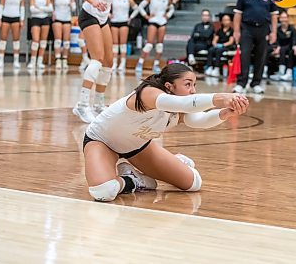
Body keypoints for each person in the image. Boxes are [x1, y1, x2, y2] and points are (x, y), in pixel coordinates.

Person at [82, 63, 249, 202]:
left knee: (193, 183)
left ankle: (168, 165)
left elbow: (198, 120)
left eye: (194, 85)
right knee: (103, 191)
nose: (193, 90)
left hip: (138, 146)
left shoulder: (179, 107)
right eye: (188, 84)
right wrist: (221, 98)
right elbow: (187, 103)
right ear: (169, 86)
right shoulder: (149, 93)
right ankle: (132, 181)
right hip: (102, 141)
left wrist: (225, 113)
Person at [72, 0, 128, 123]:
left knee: (109, 62)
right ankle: (81, 105)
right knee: (97, 58)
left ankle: (98, 104)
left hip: (103, 18)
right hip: (89, 15)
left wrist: (104, 7)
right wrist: (92, 1)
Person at [233, 0, 278, 94]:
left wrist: (274, 32)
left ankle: (256, 83)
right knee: (245, 56)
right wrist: (236, 31)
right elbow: (237, 14)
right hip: (247, 29)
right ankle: (241, 83)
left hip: (263, 29)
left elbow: (274, 15)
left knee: (261, 57)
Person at [134, 0, 175, 74]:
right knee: (149, 44)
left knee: (160, 45)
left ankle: (156, 64)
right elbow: (140, 6)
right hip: (153, 21)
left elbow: (172, 8)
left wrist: (167, 15)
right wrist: (146, 16)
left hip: (162, 22)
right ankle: (140, 63)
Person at [0, 0, 25, 69]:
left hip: (16, 18)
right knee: (3, 38)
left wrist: (22, 19)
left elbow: (22, 8)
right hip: (5, 17)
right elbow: (1, 6)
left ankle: (16, 61)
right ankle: (1, 60)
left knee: (16, 39)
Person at [110, 0, 138, 73]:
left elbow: (137, 8)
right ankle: (114, 63)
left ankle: (122, 63)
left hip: (124, 22)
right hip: (114, 22)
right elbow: (105, 8)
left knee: (122, 43)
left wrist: (131, 17)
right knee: (115, 44)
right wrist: (109, 15)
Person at [27, 0, 53, 70]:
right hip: (35, 19)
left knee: (43, 41)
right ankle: (32, 61)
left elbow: (50, 9)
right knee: (35, 40)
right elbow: (32, 9)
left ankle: (40, 61)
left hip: (45, 19)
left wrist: (39, 7)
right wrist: (44, 8)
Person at [52, 0, 77, 70]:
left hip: (67, 19)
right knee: (58, 40)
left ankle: (64, 59)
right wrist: (53, 13)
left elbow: (74, 8)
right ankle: (58, 59)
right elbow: (51, 5)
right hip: (58, 19)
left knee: (66, 41)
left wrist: (71, 3)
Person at [270, 11, 296, 81]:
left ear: (288, 19)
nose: (283, 19)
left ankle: (286, 73)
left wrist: (280, 48)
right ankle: (266, 71)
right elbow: (277, 40)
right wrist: (277, 47)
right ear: (279, 19)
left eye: (285, 17)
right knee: (268, 49)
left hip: (290, 47)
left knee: (285, 50)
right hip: (280, 47)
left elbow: (294, 41)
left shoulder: (292, 29)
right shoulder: (277, 29)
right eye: (282, 18)